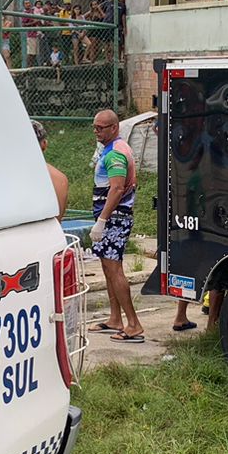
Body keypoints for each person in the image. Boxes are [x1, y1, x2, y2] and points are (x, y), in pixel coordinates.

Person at [89, 110, 143, 341]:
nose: (96, 132)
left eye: (101, 128)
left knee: (114, 269)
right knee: (107, 268)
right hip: (111, 217)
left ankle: (133, 323)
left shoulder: (116, 154)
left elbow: (117, 188)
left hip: (114, 218)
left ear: (114, 128)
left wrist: (102, 221)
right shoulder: (112, 149)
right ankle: (115, 318)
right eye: (95, 127)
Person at [34, 120, 69, 219]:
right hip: (51, 233)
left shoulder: (8, 175)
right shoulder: (60, 179)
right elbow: (58, 220)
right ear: (45, 144)